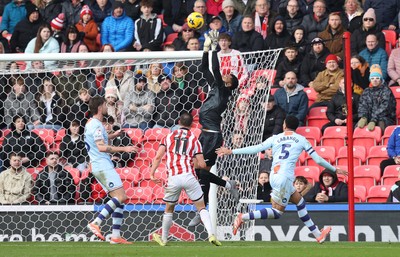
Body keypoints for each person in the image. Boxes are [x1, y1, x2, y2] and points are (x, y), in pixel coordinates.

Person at [216, 115, 347, 242]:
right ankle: (243, 217)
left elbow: (256, 148)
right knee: (277, 213)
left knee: (300, 203)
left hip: (276, 176)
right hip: (284, 178)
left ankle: (318, 234)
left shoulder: (276, 138)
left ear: (284, 125)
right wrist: (334, 169)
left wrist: (232, 151)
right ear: (296, 127)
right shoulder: (301, 139)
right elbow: (317, 159)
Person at [189, 30, 240, 227]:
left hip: (212, 137)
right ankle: (217, 195)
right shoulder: (215, 87)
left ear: (230, 84)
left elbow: (216, 69)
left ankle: (203, 207)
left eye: (229, 76)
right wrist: (205, 48)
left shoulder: (224, 92)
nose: (226, 74)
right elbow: (205, 68)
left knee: (201, 172)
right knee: (200, 173)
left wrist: (215, 47)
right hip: (205, 134)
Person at [150, 112, 222, 247]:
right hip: (189, 176)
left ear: (178, 122)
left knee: (169, 208)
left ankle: (164, 239)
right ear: (192, 124)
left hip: (173, 177)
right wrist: (192, 160)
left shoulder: (168, 136)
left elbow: (158, 156)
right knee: (201, 207)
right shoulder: (194, 139)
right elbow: (202, 165)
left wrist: (152, 174)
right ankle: (211, 234)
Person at [85, 96, 139, 244]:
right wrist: (124, 148)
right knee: (121, 196)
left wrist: (113, 135)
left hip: (100, 164)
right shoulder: (96, 125)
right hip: (102, 165)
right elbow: (101, 147)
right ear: (99, 107)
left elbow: (99, 140)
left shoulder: (93, 124)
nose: (106, 106)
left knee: (119, 199)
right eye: (104, 104)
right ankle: (96, 222)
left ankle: (115, 236)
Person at [357, 64, 396, 133]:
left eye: (377, 78)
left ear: (380, 79)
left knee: (381, 124)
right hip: (369, 117)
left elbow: (385, 108)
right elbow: (362, 106)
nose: (375, 80)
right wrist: (364, 117)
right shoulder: (366, 91)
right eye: (372, 78)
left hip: (384, 118)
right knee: (358, 127)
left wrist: (374, 119)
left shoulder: (386, 90)